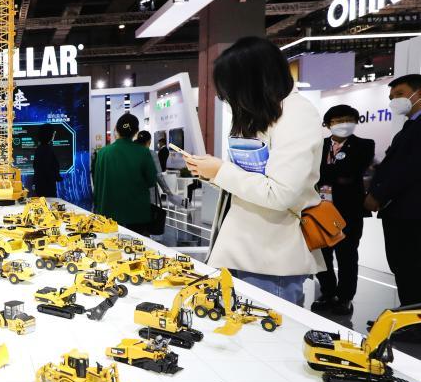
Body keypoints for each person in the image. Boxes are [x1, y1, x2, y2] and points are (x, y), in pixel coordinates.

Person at [184, 36, 324, 306]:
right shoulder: (265, 114)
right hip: (243, 250)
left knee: (269, 328)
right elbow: (249, 179)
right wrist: (211, 172)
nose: (228, 98)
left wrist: (220, 171)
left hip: (272, 257)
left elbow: (280, 193)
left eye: (231, 89)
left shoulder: (296, 115)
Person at [310, 105, 374, 315]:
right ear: (328, 124)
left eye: (348, 119)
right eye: (337, 121)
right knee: (322, 254)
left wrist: (326, 173)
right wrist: (336, 174)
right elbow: (313, 173)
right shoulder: (318, 145)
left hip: (349, 211)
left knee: (347, 255)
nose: (343, 124)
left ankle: (345, 297)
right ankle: (328, 292)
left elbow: (351, 171)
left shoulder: (364, 145)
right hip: (319, 209)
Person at [364, 74, 421, 306]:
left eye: (400, 94)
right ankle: (406, 313)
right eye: (391, 97)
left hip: (411, 213)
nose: (395, 101)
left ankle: (413, 319)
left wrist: (378, 195)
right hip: (399, 212)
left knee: (411, 268)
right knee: (403, 267)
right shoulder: (409, 127)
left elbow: (409, 169)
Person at [93, 114, 157, 233]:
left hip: (108, 212)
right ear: (136, 132)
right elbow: (151, 181)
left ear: (116, 129)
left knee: (110, 243)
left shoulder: (102, 153)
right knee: (137, 244)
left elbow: (97, 183)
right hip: (137, 214)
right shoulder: (143, 152)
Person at [136, 130, 179, 204]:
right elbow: (158, 176)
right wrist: (169, 193)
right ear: (149, 142)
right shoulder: (152, 154)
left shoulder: (130, 154)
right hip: (148, 194)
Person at [31, 124, 62, 197]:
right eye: (53, 133)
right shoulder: (47, 149)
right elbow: (48, 168)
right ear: (49, 135)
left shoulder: (40, 149)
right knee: (49, 202)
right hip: (47, 185)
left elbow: (36, 167)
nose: (54, 135)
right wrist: (56, 176)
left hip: (42, 184)